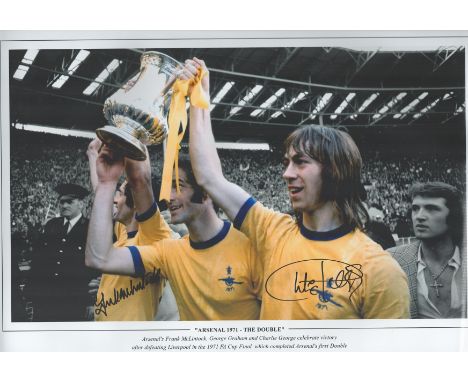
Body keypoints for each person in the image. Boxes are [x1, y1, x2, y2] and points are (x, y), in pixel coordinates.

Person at [184, 57, 410, 319]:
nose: (286, 174)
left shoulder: (379, 270)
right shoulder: (273, 231)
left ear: (335, 171)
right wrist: (198, 99)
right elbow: (210, 177)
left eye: (300, 163)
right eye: (287, 163)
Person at [85, 148, 262, 321]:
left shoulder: (250, 246)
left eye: (178, 186)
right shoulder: (170, 252)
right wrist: (106, 183)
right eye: (167, 188)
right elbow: (99, 258)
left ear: (206, 192)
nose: (167, 197)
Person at [86, 139, 179, 321]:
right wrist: (92, 155)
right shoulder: (123, 229)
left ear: (136, 203)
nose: (114, 199)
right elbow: (102, 195)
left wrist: (131, 139)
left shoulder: (156, 237)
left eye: (119, 193)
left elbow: (140, 182)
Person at [388, 182, 467, 318]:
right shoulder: (391, 260)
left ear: (454, 216)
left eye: (431, 208)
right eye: (415, 208)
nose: (419, 216)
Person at [27, 183, 98, 321]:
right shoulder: (51, 226)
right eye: (61, 202)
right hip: (46, 300)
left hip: (75, 301)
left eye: (69, 202)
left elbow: (96, 269)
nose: (64, 205)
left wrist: (92, 302)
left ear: (81, 204)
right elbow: (38, 260)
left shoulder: (91, 228)